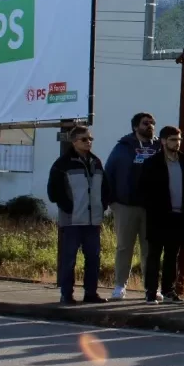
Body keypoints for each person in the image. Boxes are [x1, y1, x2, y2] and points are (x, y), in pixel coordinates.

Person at [47, 126, 109, 305]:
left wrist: (102, 205)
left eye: (90, 139)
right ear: (74, 142)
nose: (88, 142)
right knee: (69, 260)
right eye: (84, 139)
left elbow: (105, 187)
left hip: (93, 220)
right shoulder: (62, 164)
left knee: (93, 259)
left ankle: (91, 293)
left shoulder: (96, 162)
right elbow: (54, 191)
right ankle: (67, 295)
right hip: (72, 220)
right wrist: (68, 208)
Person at [104, 112, 158, 301]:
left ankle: (151, 288)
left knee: (150, 249)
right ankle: (120, 286)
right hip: (126, 205)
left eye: (152, 123)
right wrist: (112, 201)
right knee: (124, 247)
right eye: (145, 123)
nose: (150, 126)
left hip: (151, 208)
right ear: (136, 127)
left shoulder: (159, 146)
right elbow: (109, 173)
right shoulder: (123, 147)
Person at [139, 125, 184, 305]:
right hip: (159, 216)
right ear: (163, 141)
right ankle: (151, 291)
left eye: (179, 140)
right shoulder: (152, 163)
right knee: (154, 254)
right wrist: (154, 209)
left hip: (179, 215)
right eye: (173, 139)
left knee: (173, 255)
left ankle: (169, 290)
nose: (177, 143)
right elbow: (145, 191)